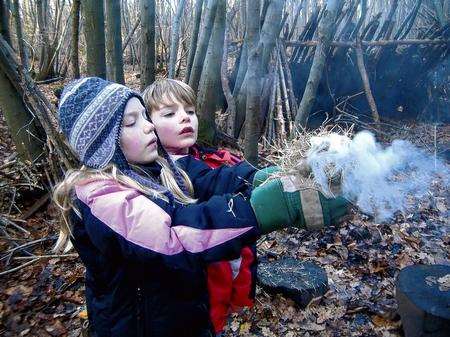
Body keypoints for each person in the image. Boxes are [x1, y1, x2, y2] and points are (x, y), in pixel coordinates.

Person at [54, 77, 348, 337]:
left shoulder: (158, 168)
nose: (148, 127)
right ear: (102, 143)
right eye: (130, 122)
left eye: (144, 116)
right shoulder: (101, 196)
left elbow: (216, 180)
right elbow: (173, 238)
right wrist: (258, 211)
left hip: (185, 318)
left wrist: (274, 176)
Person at [142, 79, 350, 335]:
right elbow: (212, 181)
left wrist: (272, 174)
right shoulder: (163, 172)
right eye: (170, 114)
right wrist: (266, 186)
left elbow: (228, 174)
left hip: (223, 274)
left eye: (190, 111)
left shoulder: (201, 155)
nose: (185, 118)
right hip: (196, 289)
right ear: (148, 126)